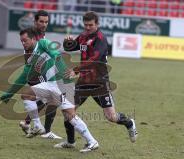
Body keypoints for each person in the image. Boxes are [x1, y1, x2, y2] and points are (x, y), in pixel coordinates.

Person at [0, 27, 99, 153]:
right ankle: (37, 126)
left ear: (33, 39)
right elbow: (24, 76)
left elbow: (56, 53)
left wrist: (59, 64)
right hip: (51, 84)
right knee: (27, 95)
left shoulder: (43, 43)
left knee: (70, 115)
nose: (23, 44)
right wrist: (9, 93)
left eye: (25, 41)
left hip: (61, 83)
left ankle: (91, 141)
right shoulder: (30, 56)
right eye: (21, 41)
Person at [54, 11, 138, 149]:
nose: (87, 27)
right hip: (83, 81)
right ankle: (70, 142)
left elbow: (95, 60)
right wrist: (67, 41)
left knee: (111, 116)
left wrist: (75, 70)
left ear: (97, 24)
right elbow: (70, 47)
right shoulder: (83, 36)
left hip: (99, 82)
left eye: (90, 25)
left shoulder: (101, 39)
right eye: (85, 25)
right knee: (68, 111)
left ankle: (129, 123)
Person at [18, 10, 62, 139]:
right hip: (35, 71)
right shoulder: (32, 35)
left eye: (46, 22)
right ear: (35, 21)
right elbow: (31, 55)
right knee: (53, 99)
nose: (44, 24)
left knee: (48, 99)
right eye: (41, 21)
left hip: (40, 70)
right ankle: (45, 131)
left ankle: (27, 122)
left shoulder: (40, 34)